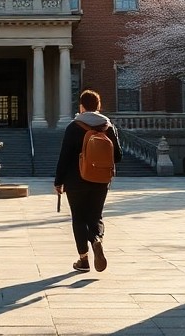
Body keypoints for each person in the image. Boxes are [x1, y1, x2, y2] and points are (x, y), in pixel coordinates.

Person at [54, 89, 122, 273]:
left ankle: (83, 260)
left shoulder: (74, 126)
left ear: (81, 107)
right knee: (96, 215)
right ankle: (97, 239)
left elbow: (65, 156)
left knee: (79, 218)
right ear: (98, 106)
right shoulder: (108, 126)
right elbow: (118, 156)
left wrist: (58, 181)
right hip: (101, 179)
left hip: (76, 179)